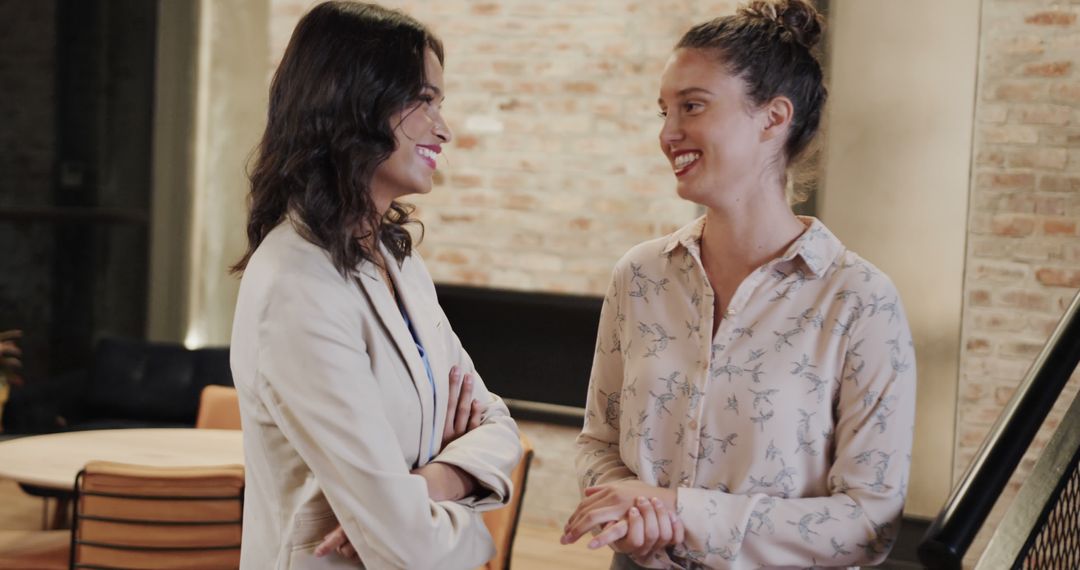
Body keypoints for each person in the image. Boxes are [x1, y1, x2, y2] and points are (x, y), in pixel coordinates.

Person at [562, 1, 917, 568]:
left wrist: (679, 510)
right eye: (664, 111)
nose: (668, 133)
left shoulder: (859, 300)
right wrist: (629, 512)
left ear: (773, 118)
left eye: (692, 107)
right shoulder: (640, 276)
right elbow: (599, 443)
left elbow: (868, 523)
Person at [229, 2, 522, 568]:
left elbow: (497, 423)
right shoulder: (297, 287)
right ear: (355, 100)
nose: (445, 128)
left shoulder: (398, 263)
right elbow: (407, 545)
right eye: (425, 99)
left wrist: (435, 481)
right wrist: (477, 529)